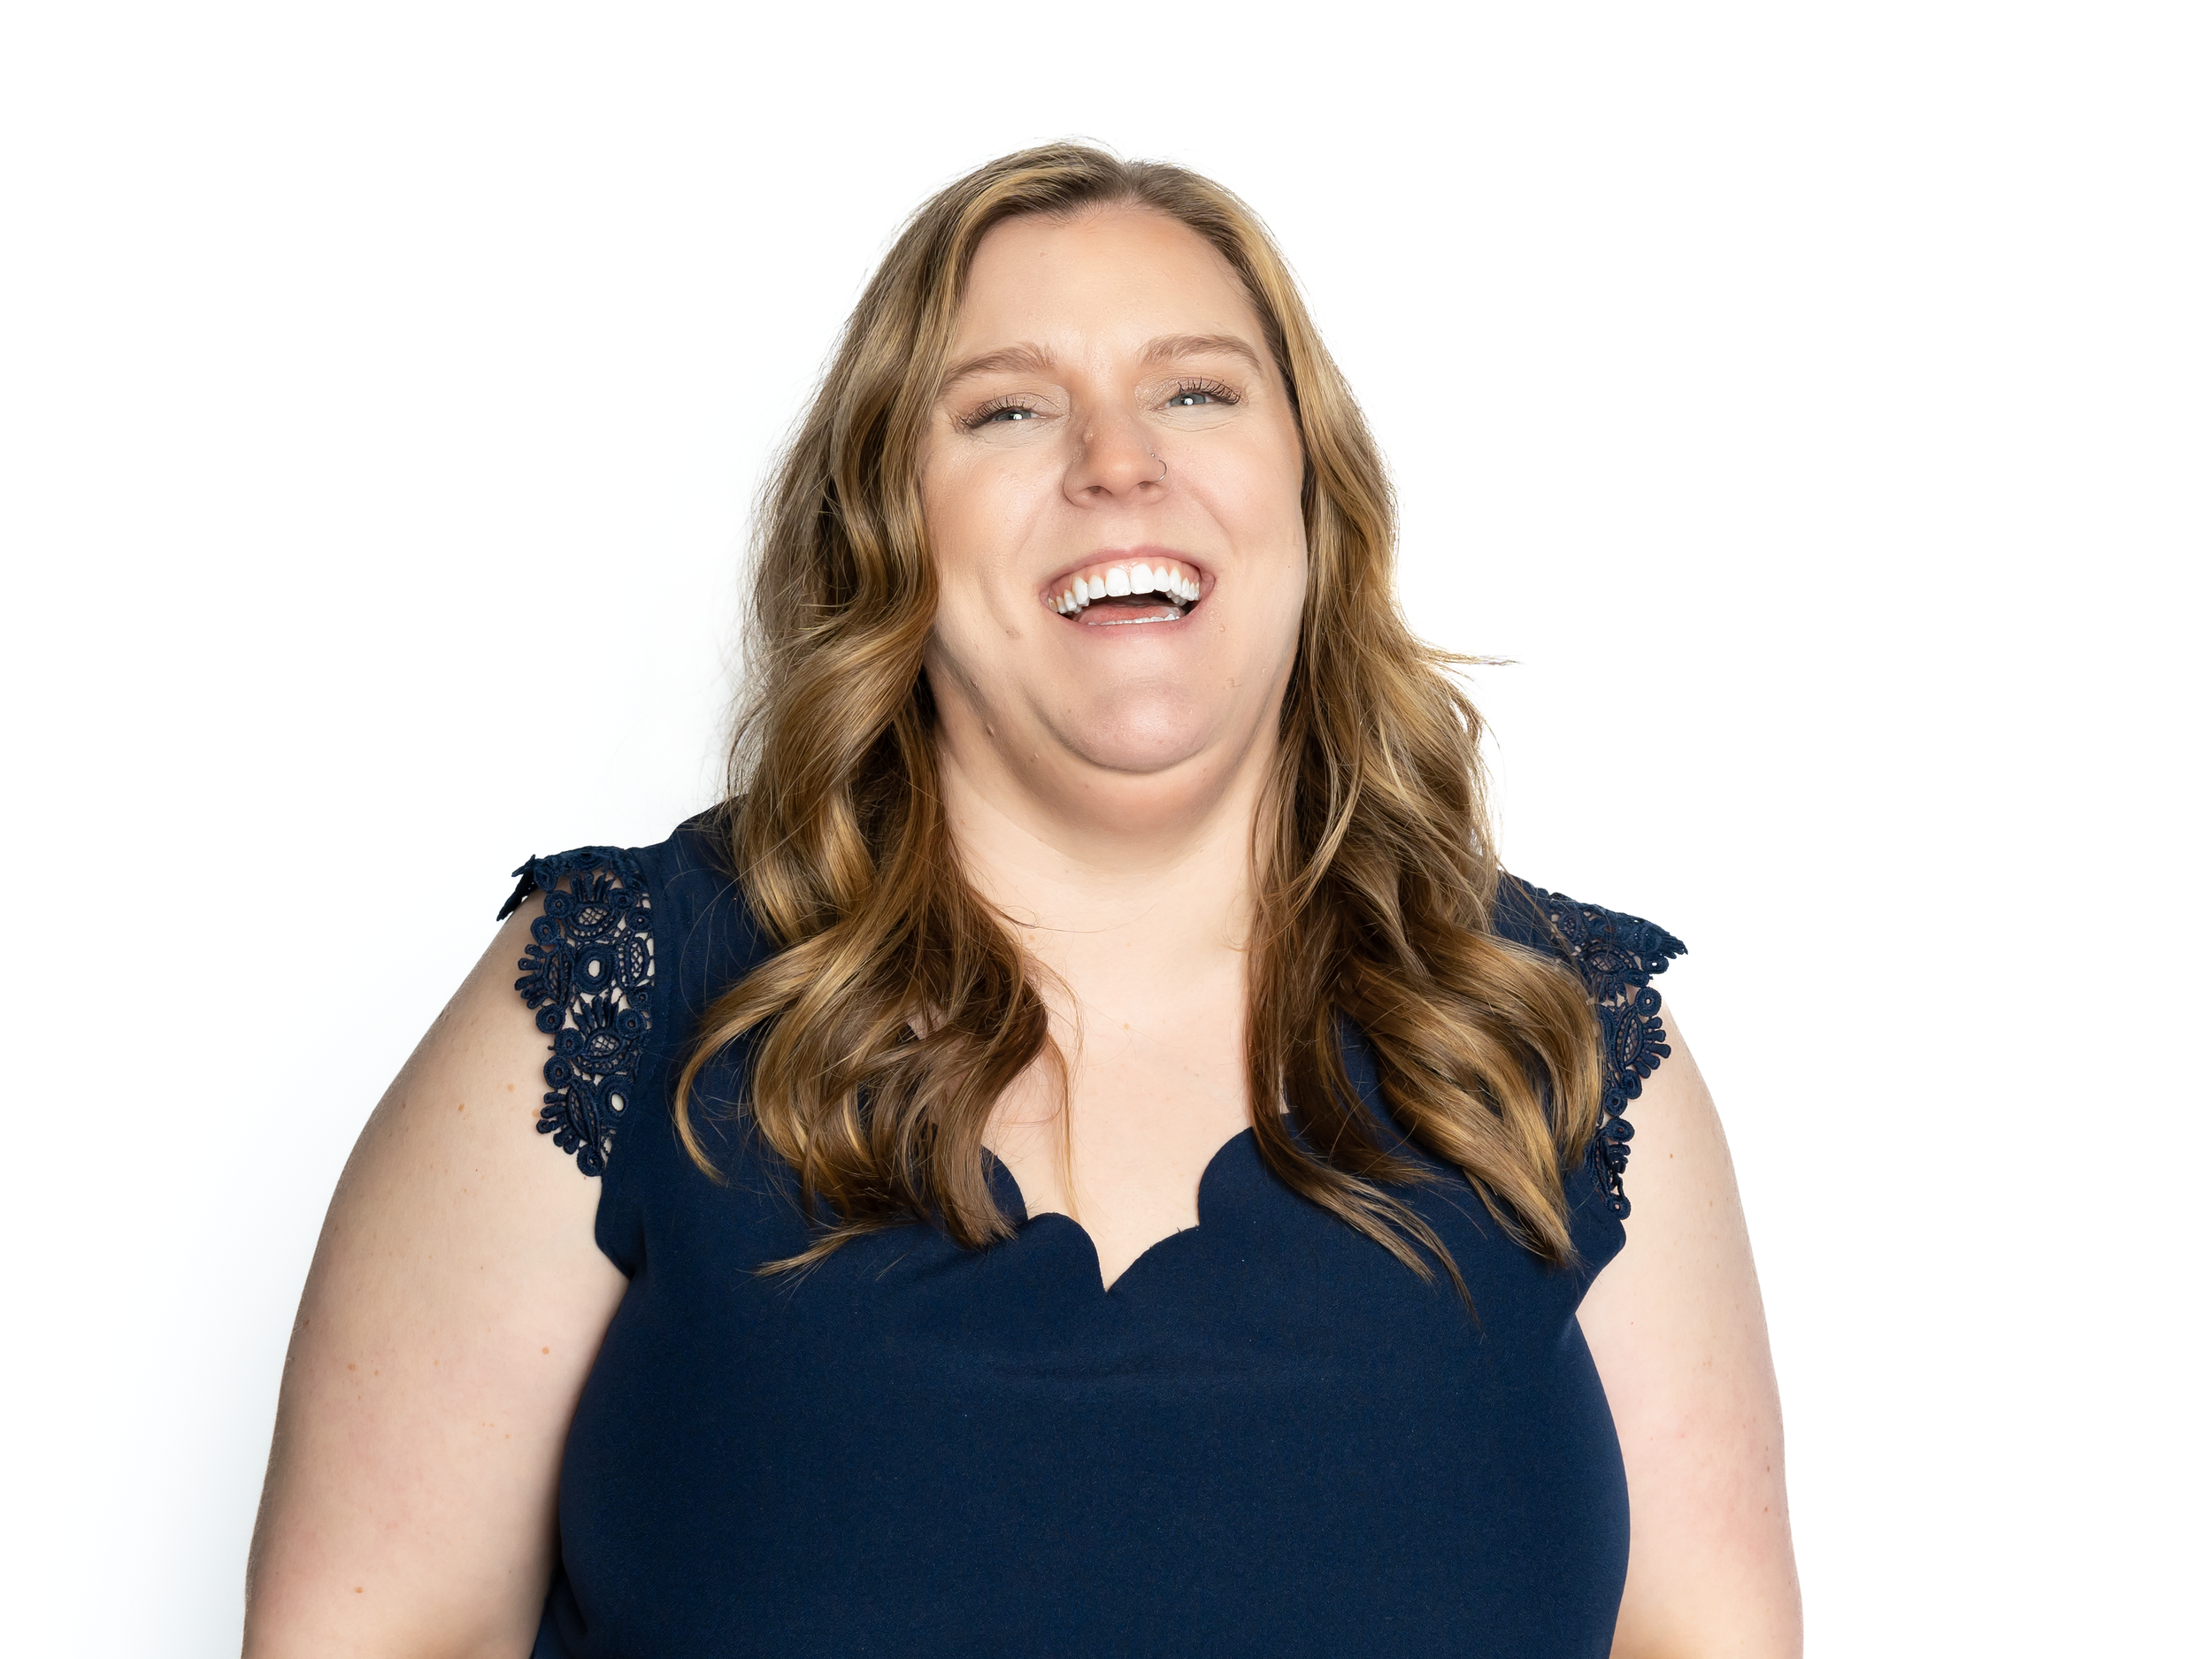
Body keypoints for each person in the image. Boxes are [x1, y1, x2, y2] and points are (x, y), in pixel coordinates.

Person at [243, 144, 1801, 1657]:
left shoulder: (1562, 1032)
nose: (1118, 459)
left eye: (1197, 390)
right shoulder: (617, 991)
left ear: (1314, 505)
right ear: (888, 526)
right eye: (1007, 408)